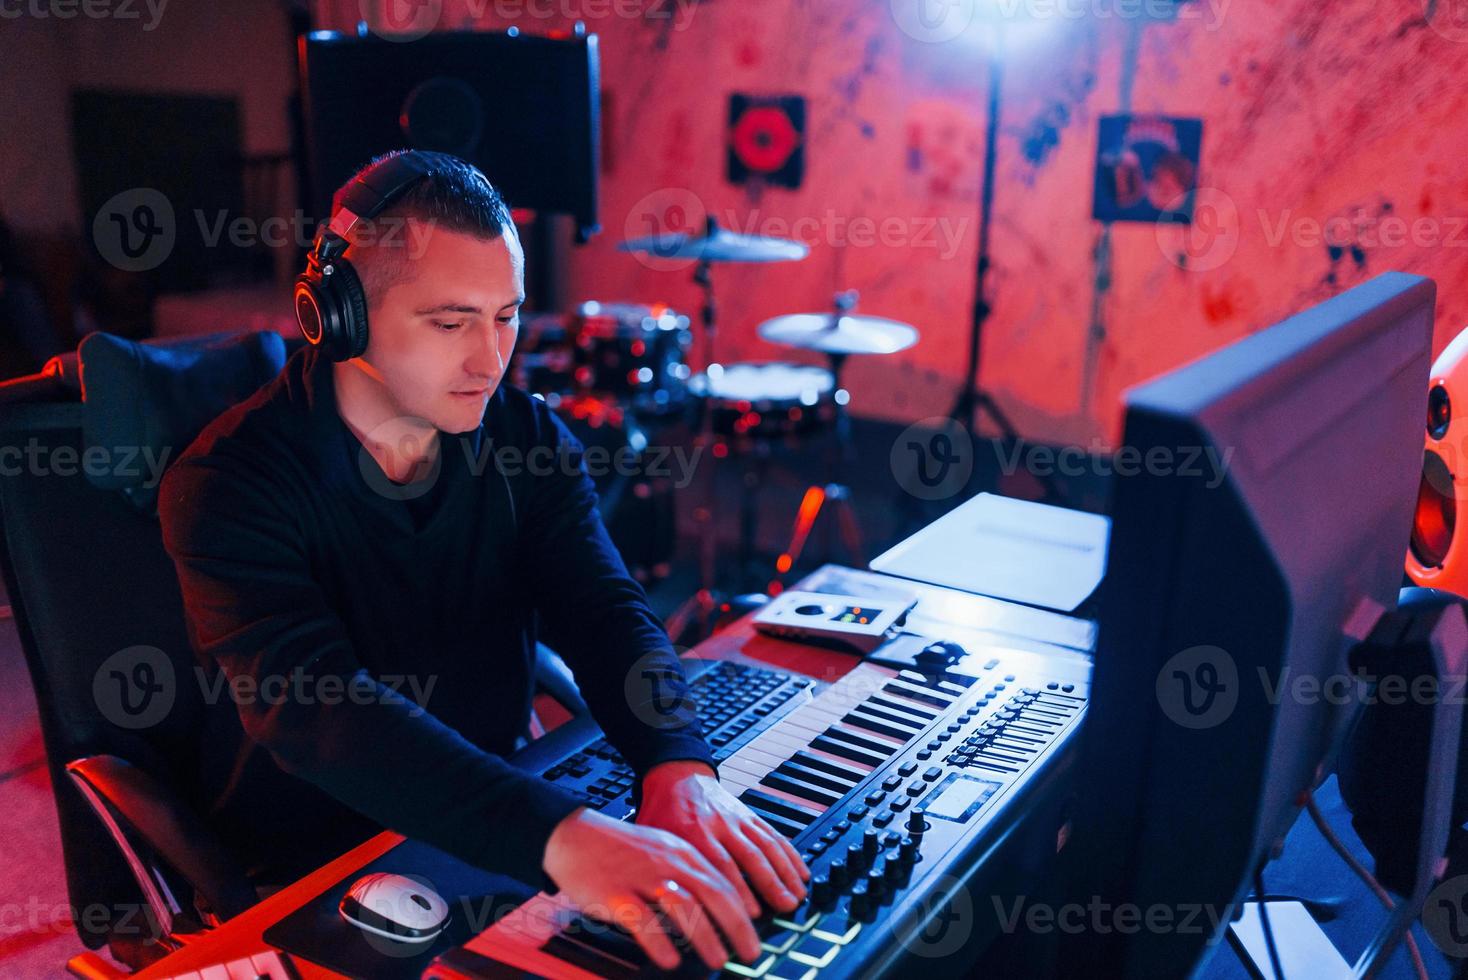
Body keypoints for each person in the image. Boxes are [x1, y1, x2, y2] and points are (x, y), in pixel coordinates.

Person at [158, 151, 808, 971]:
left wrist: (677, 761)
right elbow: (322, 715)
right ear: (341, 316)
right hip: (311, 866)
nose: (490, 359)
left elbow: (605, 609)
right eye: (451, 321)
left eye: (506, 316)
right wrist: (565, 839)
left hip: (496, 820)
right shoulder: (226, 486)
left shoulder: (523, 439)